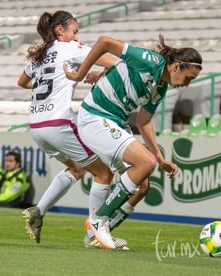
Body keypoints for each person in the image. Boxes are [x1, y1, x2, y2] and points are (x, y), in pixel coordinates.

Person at [17, 10, 147, 249]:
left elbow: (22, 82)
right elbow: (115, 63)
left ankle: (38, 210)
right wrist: (97, 73)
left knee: (77, 169)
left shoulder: (39, 55)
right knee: (104, 174)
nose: (77, 36)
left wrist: (50, 81)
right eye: (74, 31)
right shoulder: (72, 48)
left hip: (36, 125)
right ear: (60, 30)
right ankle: (94, 235)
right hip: (59, 122)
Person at [64, 34, 202, 249]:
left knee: (142, 186)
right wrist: (79, 75)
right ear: (176, 67)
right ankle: (99, 221)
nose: (187, 84)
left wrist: (160, 157)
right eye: (189, 78)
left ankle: (96, 235)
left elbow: (143, 121)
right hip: (95, 116)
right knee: (145, 164)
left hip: (115, 121)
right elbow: (104, 42)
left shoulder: (161, 87)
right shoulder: (149, 61)